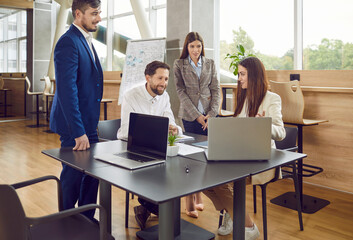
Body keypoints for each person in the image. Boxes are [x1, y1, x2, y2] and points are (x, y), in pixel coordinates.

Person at [203, 57, 286, 239]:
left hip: (263, 159)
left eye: (242, 74)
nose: (239, 78)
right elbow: (238, 126)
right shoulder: (242, 97)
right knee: (204, 177)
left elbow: (281, 133)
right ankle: (234, 214)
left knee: (222, 180)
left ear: (254, 75)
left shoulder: (272, 98)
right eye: (239, 74)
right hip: (238, 154)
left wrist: (263, 125)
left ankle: (248, 227)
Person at [49, 0, 103, 222]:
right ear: (78, 14)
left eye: (99, 13)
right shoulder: (68, 42)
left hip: (89, 123)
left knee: (92, 175)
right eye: (94, 13)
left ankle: (86, 220)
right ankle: (67, 222)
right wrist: (78, 131)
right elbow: (66, 91)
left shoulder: (86, 40)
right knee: (72, 175)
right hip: (75, 127)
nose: (98, 18)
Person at [117, 60, 182, 229]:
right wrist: (153, 131)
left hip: (157, 150)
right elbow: (125, 132)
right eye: (160, 78)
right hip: (133, 149)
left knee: (176, 169)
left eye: (166, 79)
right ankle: (156, 208)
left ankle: (147, 207)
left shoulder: (164, 96)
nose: (164, 83)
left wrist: (174, 129)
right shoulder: (131, 96)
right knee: (153, 174)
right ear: (148, 77)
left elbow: (171, 123)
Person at [173, 32, 220, 218]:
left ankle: (199, 194)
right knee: (189, 158)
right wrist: (197, 115)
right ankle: (189, 201)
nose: (195, 50)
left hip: (209, 117)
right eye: (192, 46)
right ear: (187, 47)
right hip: (189, 117)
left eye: (198, 46)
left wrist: (211, 114)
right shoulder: (180, 64)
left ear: (202, 46)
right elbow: (180, 91)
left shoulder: (210, 64)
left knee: (204, 156)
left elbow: (216, 89)